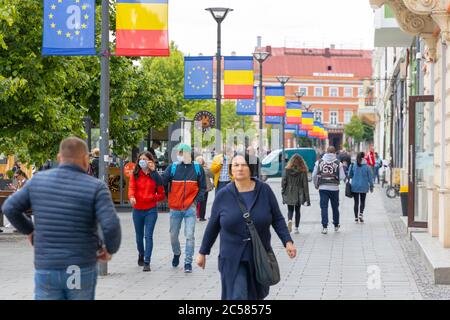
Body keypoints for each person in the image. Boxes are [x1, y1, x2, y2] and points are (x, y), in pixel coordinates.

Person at [1, 137, 121, 300]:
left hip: (47, 266)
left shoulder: (38, 181)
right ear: (86, 159)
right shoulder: (96, 187)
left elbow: (9, 207)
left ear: (59, 158)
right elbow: (111, 225)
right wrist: (109, 250)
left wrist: (30, 231)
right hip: (79, 266)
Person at [196, 154, 296, 300]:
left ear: (251, 168)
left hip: (258, 255)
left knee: (254, 297)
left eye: (244, 165)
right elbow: (213, 226)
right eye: (236, 165)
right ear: (231, 170)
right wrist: (202, 252)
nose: (240, 168)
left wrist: (288, 242)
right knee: (237, 296)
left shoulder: (264, 191)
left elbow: (278, 219)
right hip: (231, 257)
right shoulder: (223, 195)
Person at [161, 143, 206, 273]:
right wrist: (167, 197)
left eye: (181, 153)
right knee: (173, 235)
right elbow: (163, 182)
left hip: (190, 208)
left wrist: (195, 201)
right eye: (178, 153)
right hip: (175, 208)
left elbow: (203, 187)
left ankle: (188, 262)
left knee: (189, 235)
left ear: (187, 154)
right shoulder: (173, 167)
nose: (179, 156)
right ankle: (177, 253)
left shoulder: (197, 168)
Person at [128, 151, 165, 272]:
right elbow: (131, 188)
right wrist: (132, 197)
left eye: (145, 159)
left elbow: (161, 195)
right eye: (140, 159)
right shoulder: (135, 174)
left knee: (148, 236)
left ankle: (147, 262)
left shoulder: (155, 176)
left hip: (150, 210)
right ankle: (141, 254)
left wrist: (150, 198)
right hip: (137, 210)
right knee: (139, 238)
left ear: (150, 161)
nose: (142, 161)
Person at [312, 146, 346, 234]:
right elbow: (342, 176)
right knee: (335, 207)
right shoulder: (339, 163)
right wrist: (336, 179)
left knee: (324, 207)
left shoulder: (318, 162)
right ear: (335, 153)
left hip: (323, 188)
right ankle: (336, 225)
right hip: (334, 188)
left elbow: (314, 175)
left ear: (326, 152)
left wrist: (316, 184)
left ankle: (324, 227)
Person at [281, 154, 311, 234]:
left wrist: (283, 191)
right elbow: (305, 185)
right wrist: (307, 199)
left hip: (289, 191)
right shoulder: (303, 171)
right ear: (301, 162)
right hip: (299, 193)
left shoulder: (287, 170)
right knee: (298, 210)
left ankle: (290, 220)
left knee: (290, 209)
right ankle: (296, 228)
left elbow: (284, 181)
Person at [348, 152, 373, 223]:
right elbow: (370, 178)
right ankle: (361, 214)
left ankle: (356, 218)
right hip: (364, 186)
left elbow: (349, 175)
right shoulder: (367, 166)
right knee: (363, 201)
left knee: (356, 202)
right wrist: (371, 186)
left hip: (355, 186)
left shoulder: (353, 165)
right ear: (364, 157)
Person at [195, 156, 214, 222]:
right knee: (203, 202)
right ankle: (201, 217)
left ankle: (199, 216)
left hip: (199, 188)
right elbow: (212, 175)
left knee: (198, 202)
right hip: (203, 188)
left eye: (201, 160)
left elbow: (212, 175)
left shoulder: (195, 168)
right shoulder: (206, 169)